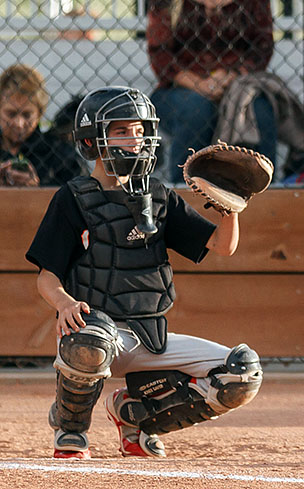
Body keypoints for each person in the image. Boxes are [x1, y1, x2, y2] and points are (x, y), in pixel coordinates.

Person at [25, 86, 263, 459]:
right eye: (121, 131)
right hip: (93, 332)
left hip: (149, 335)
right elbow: (46, 276)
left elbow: (221, 246)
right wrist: (65, 304)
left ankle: (136, 415)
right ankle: (70, 429)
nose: (134, 140)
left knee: (240, 374)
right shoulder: (73, 197)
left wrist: (230, 209)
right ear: (92, 140)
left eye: (139, 131)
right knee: (89, 343)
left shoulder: (160, 195)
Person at [147, 0, 277, 183]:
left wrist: (229, 78)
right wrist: (200, 84)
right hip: (180, 88)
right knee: (197, 111)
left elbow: (262, 47)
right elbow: (160, 53)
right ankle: (183, 195)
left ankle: (264, 194)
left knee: (259, 111)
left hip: (238, 84)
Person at [0, 64, 85, 186]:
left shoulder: (61, 154)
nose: (19, 124)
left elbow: (81, 199)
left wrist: (37, 189)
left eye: (27, 115)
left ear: (39, 114)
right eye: (11, 114)